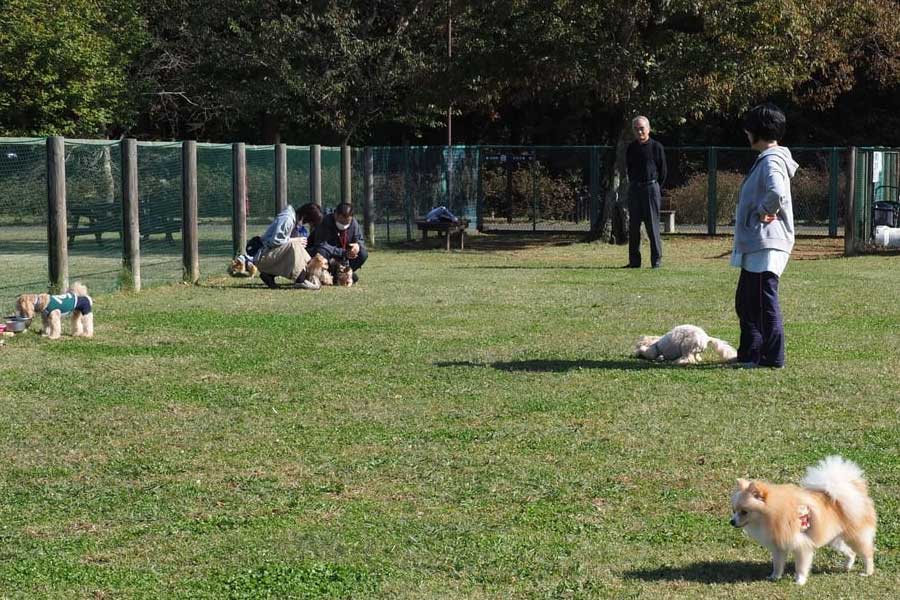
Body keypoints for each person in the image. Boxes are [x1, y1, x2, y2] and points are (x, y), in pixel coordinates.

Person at [731, 103, 798, 368]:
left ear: (757, 131)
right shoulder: (767, 159)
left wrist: (763, 211)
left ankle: (772, 357)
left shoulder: (772, 160)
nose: (746, 134)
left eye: (749, 129)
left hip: (767, 242)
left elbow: (777, 192)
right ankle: (750, 353)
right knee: (746, 301)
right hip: (758, 243)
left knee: (761, 301)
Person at [625, 115, 667, 268]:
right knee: (634, 226)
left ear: (648, 129)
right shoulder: (631, 148)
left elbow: (663, 172)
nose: (639, 132)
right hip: (635, 189)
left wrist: (654, 187)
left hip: (651, 189)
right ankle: (634, 262)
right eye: (636, 129)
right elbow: (629, 168)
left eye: (641, 128)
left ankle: (656, 261)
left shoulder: (657, 147)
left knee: (652, 226)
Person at [257, 202, 323, 288]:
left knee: (297, 245)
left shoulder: (293, 219)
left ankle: (269, 274)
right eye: (309, 222)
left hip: (270, 255)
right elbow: (274, 241)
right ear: (306, 216)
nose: (306, 224)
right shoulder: (287, 219)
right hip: (263, 256)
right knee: (294, 244)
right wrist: (296, 240)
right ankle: (300, 279)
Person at [308, 202, 367, 282]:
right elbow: (321, 244)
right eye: (342, 222)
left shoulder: (354, 223)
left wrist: (357, 246)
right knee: (321, 251)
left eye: (347, 223)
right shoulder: (324, 221)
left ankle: (344, 273)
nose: (344, 225)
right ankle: (328, 273)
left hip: (345, 256)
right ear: (335, 215)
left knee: (363, 254)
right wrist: (343, 252)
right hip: (329, 255)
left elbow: (360, 240)